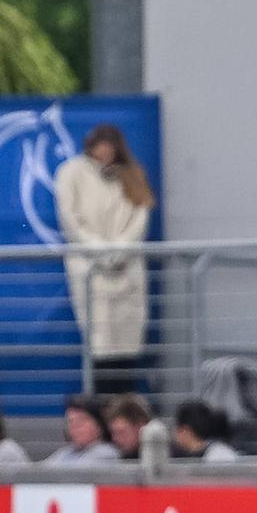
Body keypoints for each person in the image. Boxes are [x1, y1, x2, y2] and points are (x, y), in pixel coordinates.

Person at [54, 123, 155, 396]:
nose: (105, 152)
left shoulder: (133, 173)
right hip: (91, 269)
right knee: (100, 344)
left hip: (127, 269)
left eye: (110, 147)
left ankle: (128, 410)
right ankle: (104, 410)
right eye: (101, 146)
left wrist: (121, 250)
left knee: (128, 345)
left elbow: (140, 216)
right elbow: (70, 218)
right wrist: (100, 251)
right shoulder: (71, 172)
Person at [44, 396, 120, 466]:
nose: (74, 426)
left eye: (81, 420)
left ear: (99, 424)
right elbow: (39, 471)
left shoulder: (106, 453)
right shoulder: (64, 452)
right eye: (70, 421)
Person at [171, 400, 239, 462]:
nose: (175, 433)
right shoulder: (181, 454)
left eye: (177, 428)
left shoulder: (220, 455)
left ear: (186, 430)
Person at [103, 394, 152, 459]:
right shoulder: (118, 458)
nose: (115, 439)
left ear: (140, 426)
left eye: (121, 432)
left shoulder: (166, 457)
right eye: (113, 433)